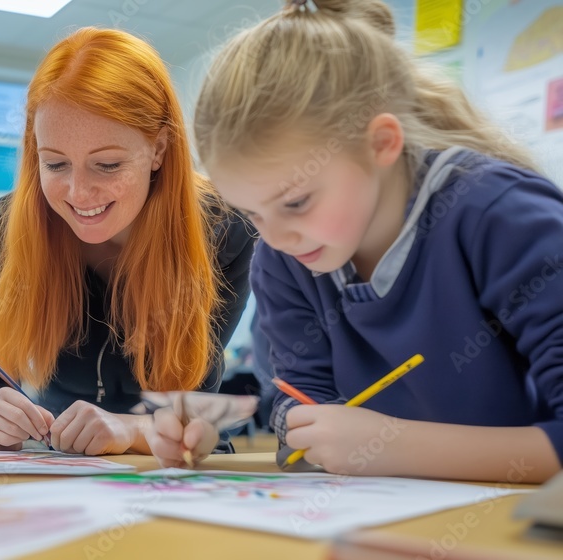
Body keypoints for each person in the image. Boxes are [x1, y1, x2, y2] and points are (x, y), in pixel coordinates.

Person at [155, 0, 562, 482]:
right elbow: (300, 398)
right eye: (251, 213)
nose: (275, 238)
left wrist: (390, 446)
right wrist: (226, 425)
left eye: (296, 201)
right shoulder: (283, 258)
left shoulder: (498, 215)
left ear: (381, 143)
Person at [0, 27, 255, 460]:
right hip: (57, 459)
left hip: (164, 466)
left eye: (108, 164)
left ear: (158, 149)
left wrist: (130, 429)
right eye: (55, 164)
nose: (79, 193)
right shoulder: (11, 228)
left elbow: (195, 411)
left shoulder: (225, 232)